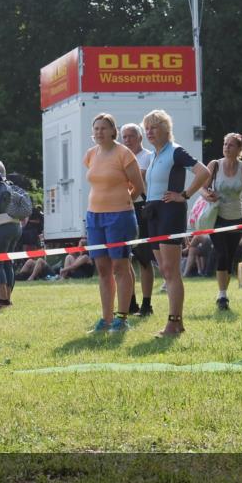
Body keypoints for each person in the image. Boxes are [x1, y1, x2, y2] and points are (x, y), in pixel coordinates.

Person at [141, 110, 212, 337]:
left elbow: (203, 172)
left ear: (165, 128)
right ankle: (176, 322)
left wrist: (185, 194)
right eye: (147, 128)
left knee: (171, 270)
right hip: (153, 212)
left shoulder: (175, 151)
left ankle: (174, 322)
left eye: (153, 127)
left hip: (170, 212)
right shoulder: (153, 155)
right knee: (165, 270)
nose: (149, 132)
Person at [82, 113, 145, 333]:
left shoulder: (124, 154)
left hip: (120, 215)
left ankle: (122, 318)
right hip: (94, 216)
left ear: (112, 131)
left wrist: (125, 202)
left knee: (120, 266)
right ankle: (106, 319)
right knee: (102, 268)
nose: (99, 132)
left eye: (103, 128)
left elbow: (137, 186)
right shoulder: (91, 154)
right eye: (96, 128)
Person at [201, 133, 242, 311]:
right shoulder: (214, 165)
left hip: (236, 218)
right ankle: (222, 295)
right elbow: (202, 186)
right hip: (217, 216)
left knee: (229, 257)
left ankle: (223, 293)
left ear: (239, 149)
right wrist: (207, 195)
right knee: (221, 253)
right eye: (225, 144)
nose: (226, 147)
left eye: (230, 145)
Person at [120, 122, 155, 316]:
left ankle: (147, 303)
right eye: (124, 137)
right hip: (122, 208)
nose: (127, 140)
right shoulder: (121, 158)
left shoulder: (147, 157)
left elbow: (136, 182)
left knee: (143, 258)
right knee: (125, 258)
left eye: (131, 136)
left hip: (140, 208)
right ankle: (130, 302)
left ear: (140, 137)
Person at [0, 165, 24, 307]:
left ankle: (2, 299)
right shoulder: (10, 185)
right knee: (7, 263)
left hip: (2, 226)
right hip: (16, 226)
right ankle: (8, 297)